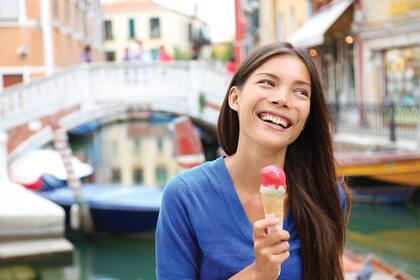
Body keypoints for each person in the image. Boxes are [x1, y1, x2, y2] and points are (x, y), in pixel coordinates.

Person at [156, 42, 351, 280]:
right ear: (235, 98)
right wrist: (258, 273)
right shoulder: (185, 195)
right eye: (268, 82)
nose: (282, 99)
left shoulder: (326, 195)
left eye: (301, 92)